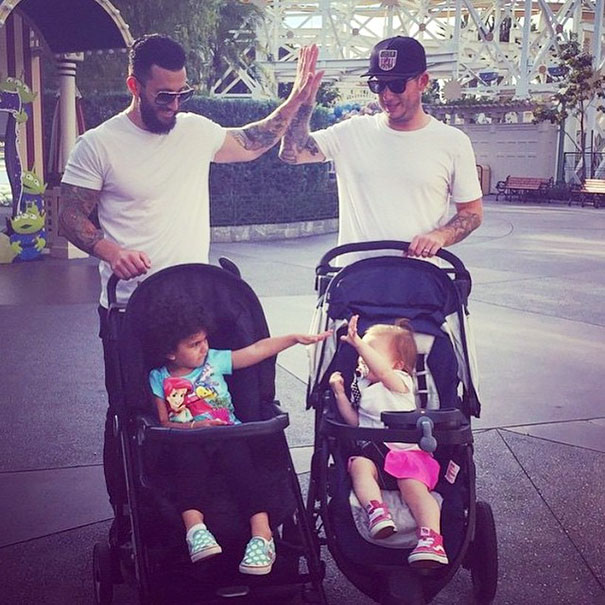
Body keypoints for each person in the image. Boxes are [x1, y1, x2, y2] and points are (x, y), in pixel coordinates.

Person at [57, 34, 323, 529]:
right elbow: (69, 215)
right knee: (137, 414)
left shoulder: (196, 130)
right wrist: (111, 251)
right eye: (164, 96)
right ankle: (137, 516)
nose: (175, 105)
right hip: (132, 309)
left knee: (213, 409)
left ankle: (224, 513)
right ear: (134, 86)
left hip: (195, 306)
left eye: (183, 94)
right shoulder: (100, 145)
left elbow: (252, 142)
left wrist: (295, 100)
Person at [147, 302, 331, 572]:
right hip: (189, 440)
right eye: (194, 344)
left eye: (205, 340)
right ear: (170, 353)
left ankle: (262, 536)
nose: (204, 347)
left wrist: (292, 338)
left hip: (228, 433)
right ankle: (196, 531)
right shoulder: (158, 377)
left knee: (242, 465)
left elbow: (255, 351)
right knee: (188, 463)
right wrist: (195, 428)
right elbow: (164, 422)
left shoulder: (213, 361)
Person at [279, 36, 483, 259]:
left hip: (418, 276)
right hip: (354, 276)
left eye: (397, 84)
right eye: (378, 84)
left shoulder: (453, 142)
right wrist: (301, 101)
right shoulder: (350, 132)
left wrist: (440, 236)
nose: (387, 95)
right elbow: (293, 153)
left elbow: (472, 212)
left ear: (423, 81)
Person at [328, 315, 447, 568]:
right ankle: (377, 511)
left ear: (398, 363)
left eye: (370, 352)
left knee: (415, 491)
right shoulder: (364, 389)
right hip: (375, 458)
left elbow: (382, 370)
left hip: (406, 456)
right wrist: (339, 394)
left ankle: (431, 538)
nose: (363, 357)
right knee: (358, 466)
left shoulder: (400, 381)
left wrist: (359, 343)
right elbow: (355, 422)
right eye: (361, 354)